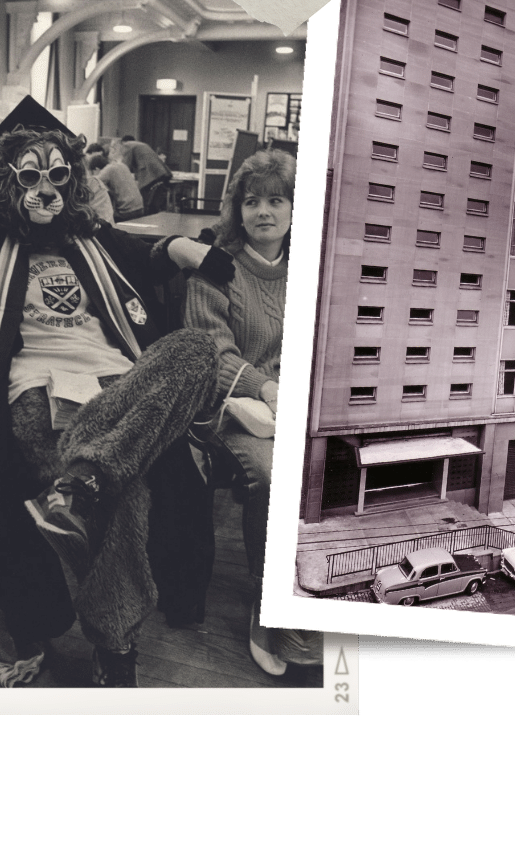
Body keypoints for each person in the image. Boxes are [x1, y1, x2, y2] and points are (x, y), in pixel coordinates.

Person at [0, 97, 235, 687]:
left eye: (57, 175)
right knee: (125, 487)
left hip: (118, 384)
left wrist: (185, 249)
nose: (45, 189)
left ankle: (82, 481)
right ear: (7, 183)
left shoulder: (95, 242)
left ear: (75, 179)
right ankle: (114, 646)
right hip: (37, 394)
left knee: (195, 349)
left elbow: (149, 250)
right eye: (30, 176)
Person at [181, 148, 320, 676]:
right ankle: (268, 615)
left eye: (277, 200)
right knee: (274, 475)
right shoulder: (214, 267)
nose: (265, 211)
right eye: (252, 200)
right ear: (236, 210)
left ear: (292, 208)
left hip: (295, 407)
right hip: (231, 409)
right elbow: (208, 351)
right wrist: (267, 388)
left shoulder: (307, 263)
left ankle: (311, 604)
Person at [89, 151, 145, 222]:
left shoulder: (107, 170)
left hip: (127, 212)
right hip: (140, 208)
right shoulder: (122, 165)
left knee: (101, 219)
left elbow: (92, 183)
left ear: (96, 169)